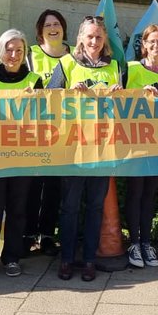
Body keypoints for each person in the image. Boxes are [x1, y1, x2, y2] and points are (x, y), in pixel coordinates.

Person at [47, 16, 123, 281]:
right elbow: (47, 100)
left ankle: (89, 259)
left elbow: (127, 107)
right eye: (89, 36)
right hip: (73, 149)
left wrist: (120, 94)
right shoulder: (66, 64)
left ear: (105, 40)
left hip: (103, 148)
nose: (94, 41)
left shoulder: (114, 67)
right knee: (69, 207)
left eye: (99, 37)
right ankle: (66, 258)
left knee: (95, 207)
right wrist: (68, 92)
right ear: (80, 38)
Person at [0, 29, 41, 278]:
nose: (13, 55)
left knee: (17, 209)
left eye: (19, 50)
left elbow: (43, 118)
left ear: (25, 53)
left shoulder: (34, 80)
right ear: (0, 51)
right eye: (9, 50)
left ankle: (12, 257)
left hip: (23, 155)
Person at [123, 23, 158, 269]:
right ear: (143, 44)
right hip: (134, 143)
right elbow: (116, 99)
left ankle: (147, 242)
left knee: (149, 195)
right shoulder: (132, 69)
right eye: (151, 41)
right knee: (135, 194)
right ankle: (134, 242)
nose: (156, 45)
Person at [25, 9, 69, 256]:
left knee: (54, 186)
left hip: (64, 132)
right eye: (47, 25)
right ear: (40, 30)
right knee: (32, 185)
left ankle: (48, 235)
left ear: (63, 28)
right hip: (34, 131)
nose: (53, 28)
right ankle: (29, 233)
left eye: (57, 24)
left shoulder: (74, 54)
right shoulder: (29, 54)